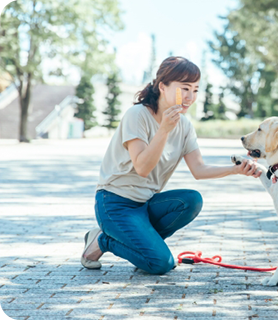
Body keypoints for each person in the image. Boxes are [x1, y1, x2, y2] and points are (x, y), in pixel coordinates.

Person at [81, 56, 261, 275]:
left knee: (191, 200)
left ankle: (141, 246)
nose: (190, 97)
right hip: (115, 203)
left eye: (195, 90)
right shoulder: (137, 115)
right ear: (163, 86)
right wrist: (164, 129)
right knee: (161, 263)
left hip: (145, 204)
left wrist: (235, 169)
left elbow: (199, 169)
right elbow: (142, 168)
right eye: (184, 88)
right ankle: (103, 240)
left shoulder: (184, 125)